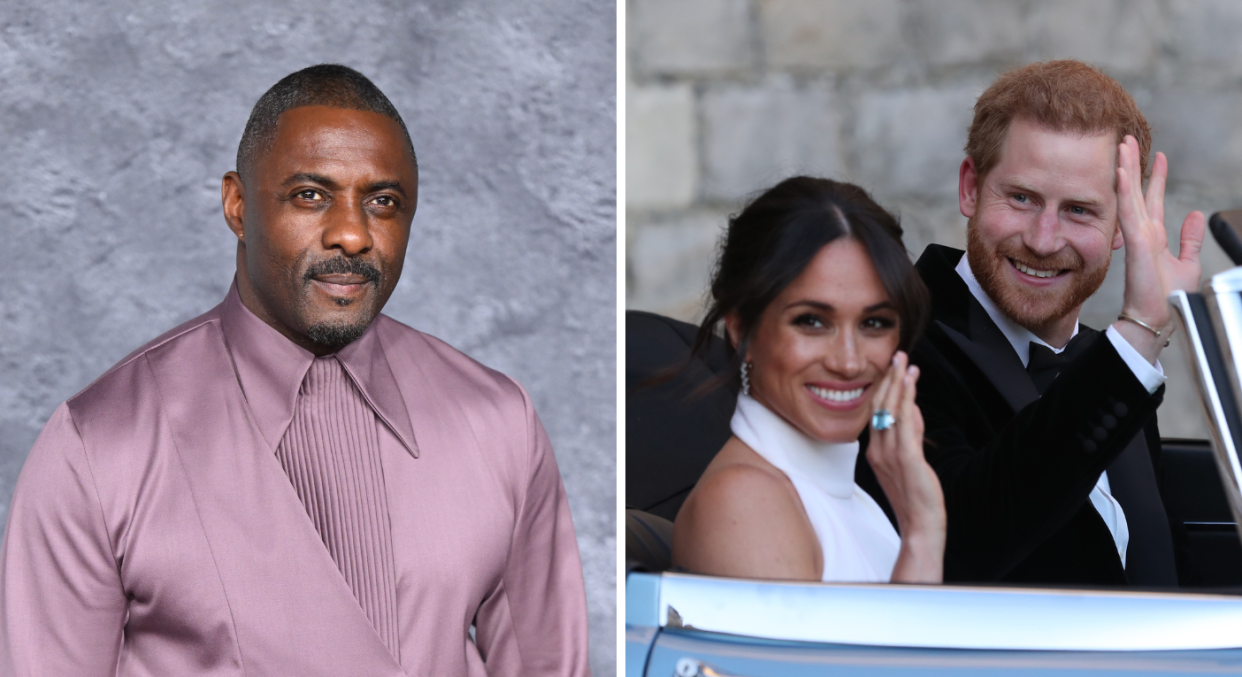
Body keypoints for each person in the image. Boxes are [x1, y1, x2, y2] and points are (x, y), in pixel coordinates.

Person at [0, 65, 590, 677]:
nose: (353, 234)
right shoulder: (100, 443)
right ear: (236, 204)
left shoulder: (497, 421)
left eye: (383, 202)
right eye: (311, 195)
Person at [908, 60, 1204, 586]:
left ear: (1121, 226)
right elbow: (961, 540)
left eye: (1079, 211)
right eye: (1021, 198)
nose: (1044, 240)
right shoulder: (899, 342)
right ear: (971, 188)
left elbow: (1158, 569)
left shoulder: (1106, 362)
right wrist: (1138, 335)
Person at [671, 177, 946, 583]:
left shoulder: (850, 498)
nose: (849, 362)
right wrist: (923, 534)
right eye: (812, 322)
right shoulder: (745, 502)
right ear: (740, 328)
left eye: (874, 323)